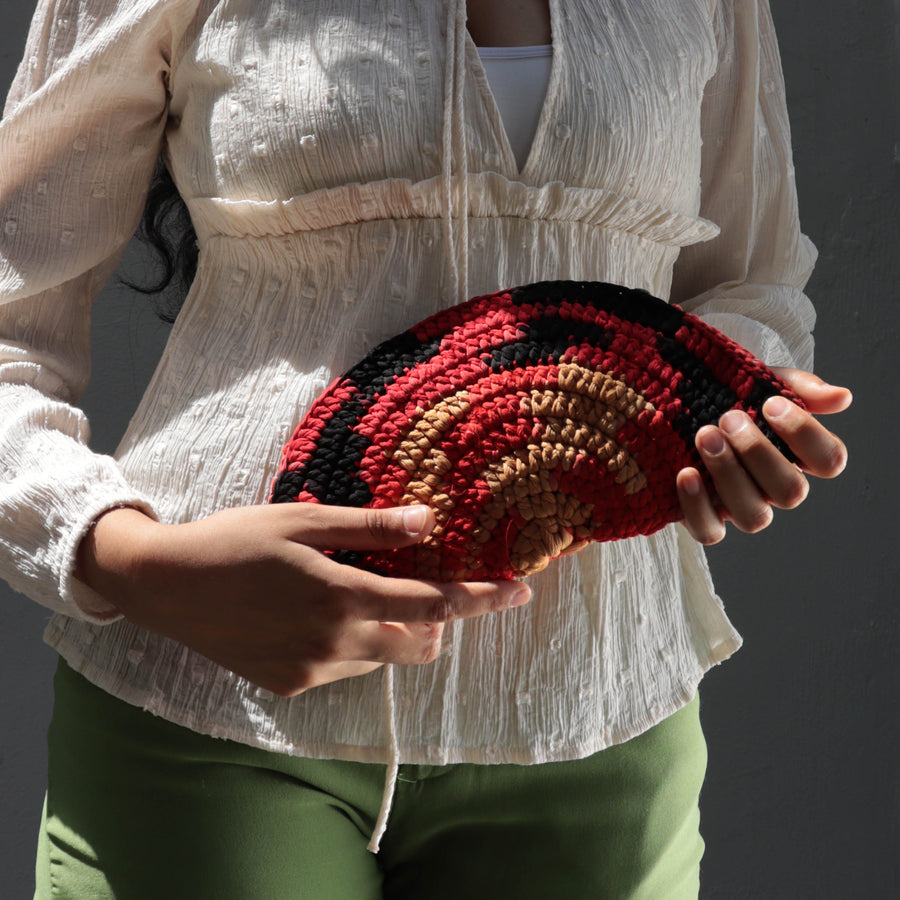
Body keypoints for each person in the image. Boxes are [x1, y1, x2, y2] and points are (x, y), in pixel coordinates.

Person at [0, 0, 850, 896]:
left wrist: (732, 413)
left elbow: (752, 283)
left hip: (596, 703)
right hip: (208, 694)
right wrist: (133, 560)